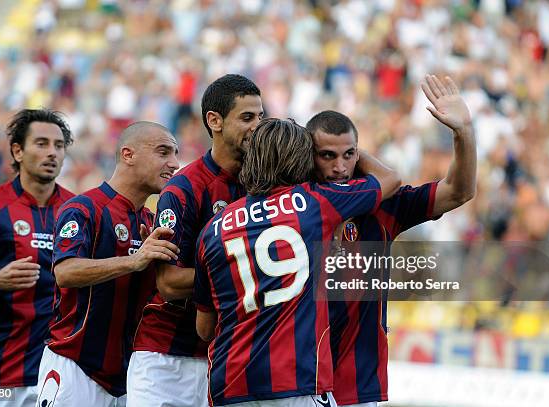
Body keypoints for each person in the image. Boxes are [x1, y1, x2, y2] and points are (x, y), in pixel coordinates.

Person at [193, 118, 401, 406]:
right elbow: (390, 179)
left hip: (229, 386)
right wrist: (352, 150)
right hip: (297, 383)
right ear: (302, 159)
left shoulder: (213, 229)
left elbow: (204, 328)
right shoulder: (316, 203)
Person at [307, 75, 476, 407]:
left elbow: (459, 191)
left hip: (357, 388)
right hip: (297, 383)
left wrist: (464, 133)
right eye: (327, 156)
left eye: (349, 155)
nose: (340, 167)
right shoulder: (293, 203)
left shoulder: (383, 204)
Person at [127, 74, 263, 407]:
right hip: (166, 357)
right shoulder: (183, 189)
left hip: (227, 356)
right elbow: (170, 282)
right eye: (247, 118)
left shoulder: (264, 186)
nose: (257, 126)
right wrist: (248, 268)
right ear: (214, 121)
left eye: (261, 117)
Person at [34, 121, 180, 407]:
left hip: (129, 376)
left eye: (176, 154)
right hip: (74, 367)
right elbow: (65, 272)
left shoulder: (151, 222)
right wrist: (133, 261)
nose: (174, 163)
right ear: (128, 154)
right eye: (163, 152)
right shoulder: (84, 208)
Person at [0, 109, 75, 407]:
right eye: (42, 143)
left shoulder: (77, 211)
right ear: (18, 151)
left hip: (58, 375)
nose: (52, 153)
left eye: (59, 146)